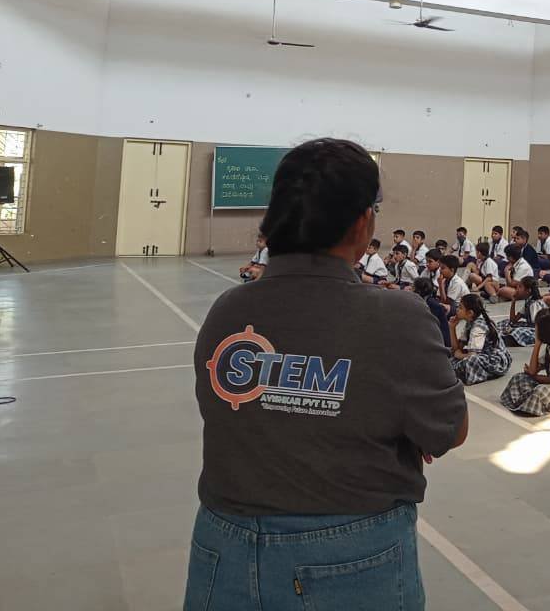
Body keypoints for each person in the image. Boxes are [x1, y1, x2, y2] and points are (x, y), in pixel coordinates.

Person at [187, 139, 467, 611]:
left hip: (221, 545)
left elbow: (232, 412)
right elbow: (450, 430)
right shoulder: (397, 317)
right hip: (348, 551)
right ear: (362, 222)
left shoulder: (228, 309)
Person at [449, 293, 511, 385]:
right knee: (448, 353)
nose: (457, 309)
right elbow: (457, 348)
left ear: (470, 313)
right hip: (482, 354)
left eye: (460, 308)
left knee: (469, 362)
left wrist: (458, 355)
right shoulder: (470, 321)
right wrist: (452, 328)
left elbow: (472, 355)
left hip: (495, 360)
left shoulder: (478, 327)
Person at [411, 276, 451, 349]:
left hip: (439, 344)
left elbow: (428, 327)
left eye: (413, 288)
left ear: (418, 291)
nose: (410, 290)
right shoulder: (420, 302)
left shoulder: (434, 306)